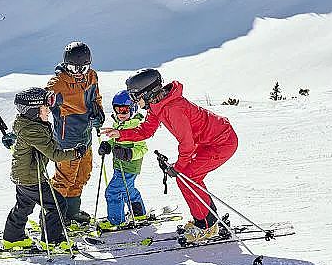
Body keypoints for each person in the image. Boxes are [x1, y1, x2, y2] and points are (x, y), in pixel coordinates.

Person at [101, 69, 238, 242]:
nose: (135, 101)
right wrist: (120, 134)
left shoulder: (173, 108)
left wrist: (178, 167)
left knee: (188, 176)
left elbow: (187, 145)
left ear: (148, 93)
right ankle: (207, 219)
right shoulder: (158, 106)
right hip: (207, 142)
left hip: (222, 142)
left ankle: (207, 226)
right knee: (187, 177)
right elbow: (146, 130)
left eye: (136, 97)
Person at [1, 87, 87, 251]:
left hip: (24, 176)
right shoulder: (32, 130)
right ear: (34, 111)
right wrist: (76, 153)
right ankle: (52, 240)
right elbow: (55, 154)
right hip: (31, 178)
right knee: (57, 204)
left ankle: (12, 238)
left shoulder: (31, 125)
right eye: (45, 107)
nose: (49, 110)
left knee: (24, 206)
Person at [45, 41, 104, 224]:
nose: (78, 73)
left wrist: (98, 113)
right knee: (64, 179)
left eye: (83, 68)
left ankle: (71, 211)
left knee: (83, 175)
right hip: (66, 140)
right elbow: (42, 107)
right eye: (73, 68)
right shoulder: (58, 83)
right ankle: (53, 219)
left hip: (85, 136)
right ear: (65, 64)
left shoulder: (92, 77)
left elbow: (96, 99)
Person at [97, 90, 148, 230]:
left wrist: (129, 154)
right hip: (120, 166)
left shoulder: (136, 126)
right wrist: (108, 145)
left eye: (124, 110)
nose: (120, 114)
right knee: (127, 190)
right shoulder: (118, 124)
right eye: (117, 110)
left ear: (132, 109)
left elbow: (142, 148)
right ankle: (139, 214)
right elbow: (116, 140)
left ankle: (116, 221)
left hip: (129, 166)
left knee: (113, 192)